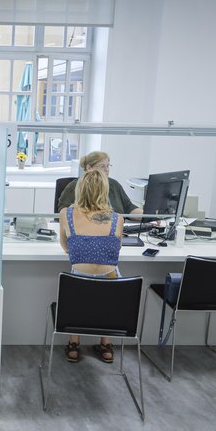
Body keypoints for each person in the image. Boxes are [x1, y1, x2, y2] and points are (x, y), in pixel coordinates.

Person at [58, 169, 124, 364]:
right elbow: (116, 248)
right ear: (105, 191)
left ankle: (73, 345)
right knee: (110, 281)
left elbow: (66, 247)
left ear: (79, 190)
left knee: (80, 286)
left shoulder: (66, 214)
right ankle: (106, 346)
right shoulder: (117, 218)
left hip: (78, 293)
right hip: (110, 294)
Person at [57, 151, 143, 216]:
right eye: (102, 166)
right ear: (89, 168)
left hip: (116, 230)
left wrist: (151, 216)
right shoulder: (76, 186)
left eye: (108, 165)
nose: (107, 170)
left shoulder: (113, 184)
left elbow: (129, 207)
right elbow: (63, 212)